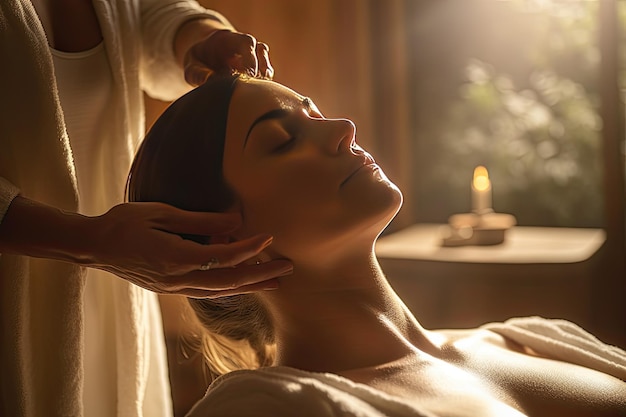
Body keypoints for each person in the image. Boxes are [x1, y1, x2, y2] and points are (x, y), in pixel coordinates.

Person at [127, 73, 626, 417]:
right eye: (282, 140)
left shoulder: (525, 338)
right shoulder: (274, 407)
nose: (343, 129)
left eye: (316, 114)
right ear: (223, 236)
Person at [0, 1, 293, 416]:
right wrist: (89, 241)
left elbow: (146, 15)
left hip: (114, 294)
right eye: (282, 140)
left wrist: (199, 36)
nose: (345, 129)